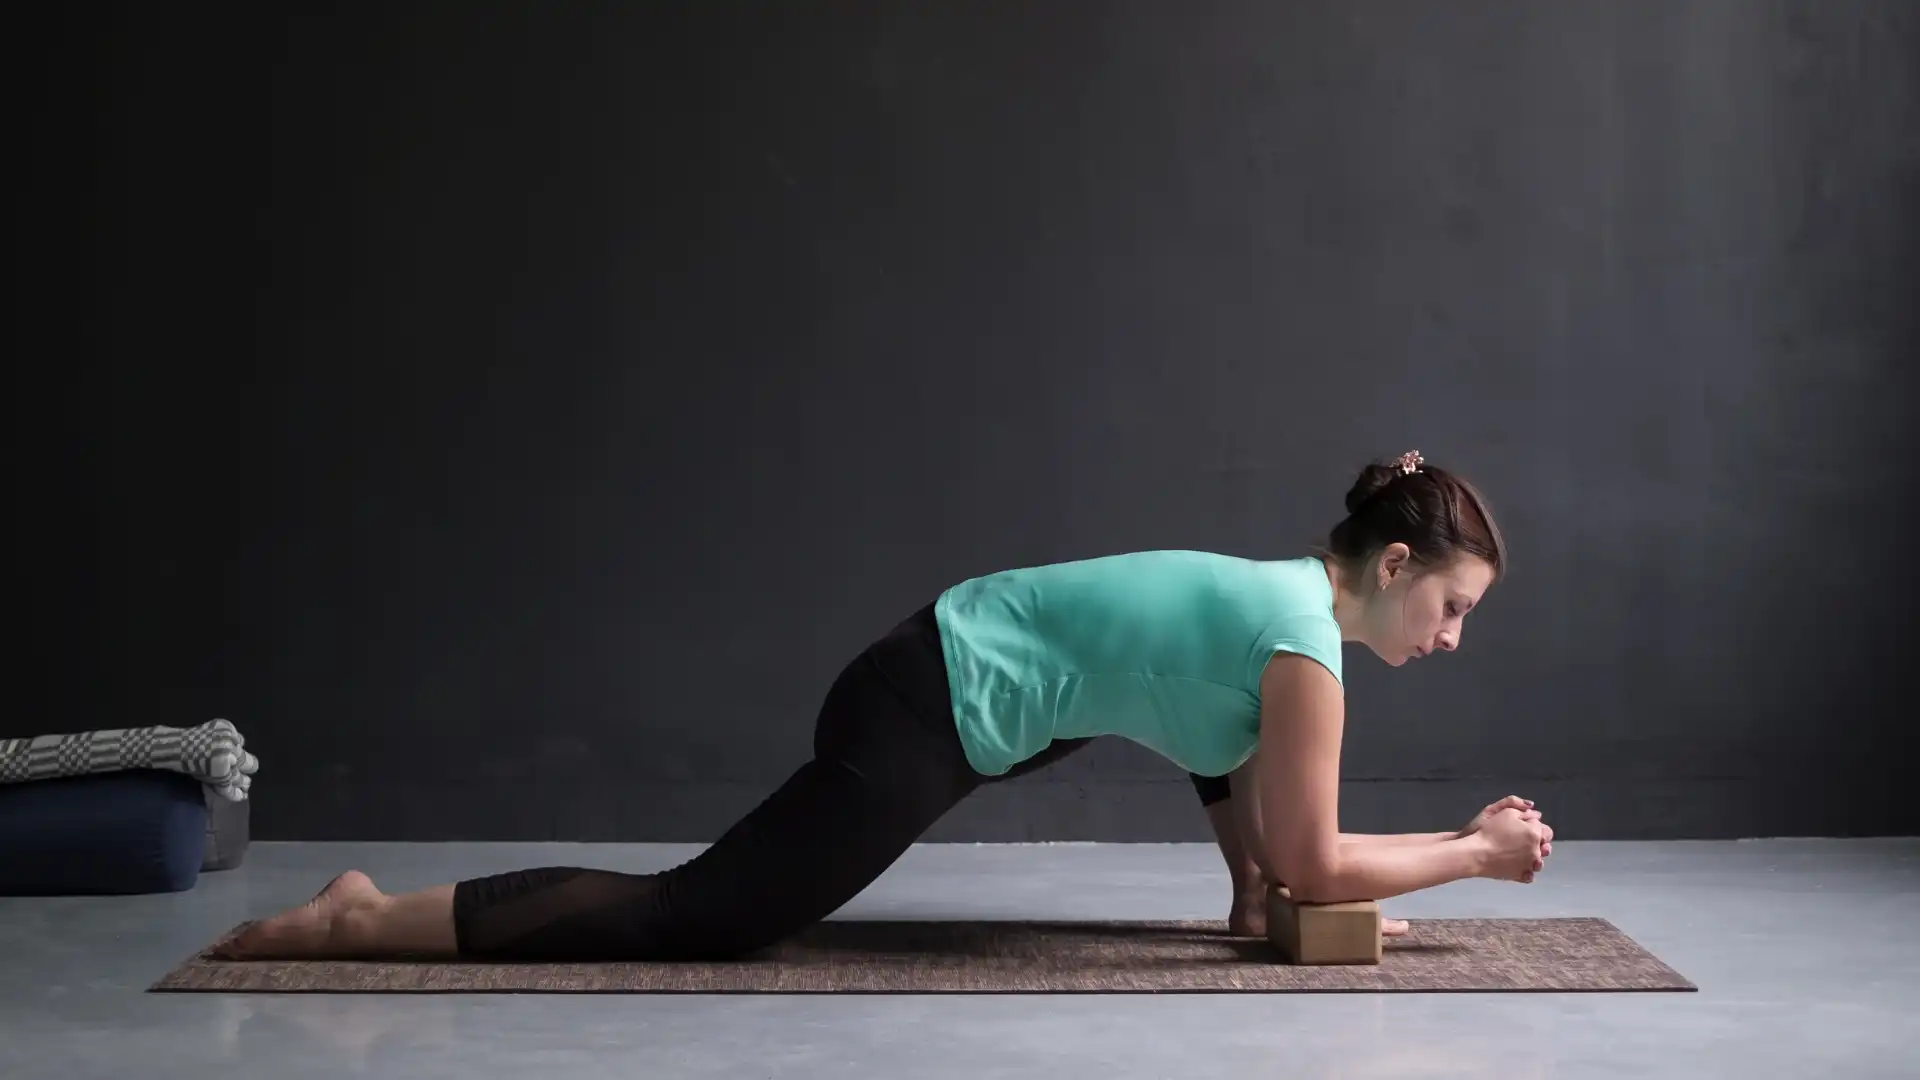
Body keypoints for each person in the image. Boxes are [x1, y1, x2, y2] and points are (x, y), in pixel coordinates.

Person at [218, 449, 1552, 962]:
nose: (1448, 639)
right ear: (1391, 568)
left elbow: (1209, 744)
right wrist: (1476, 854)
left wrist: (1250, 894)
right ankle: (364, 916)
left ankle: (367, 909)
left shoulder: (1276, 623)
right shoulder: (1304, 645)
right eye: (1451, 609)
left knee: (1181, 724)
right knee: (705, 914)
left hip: (943, 669)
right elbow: (1323, 857)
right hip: (925, 703)